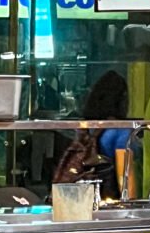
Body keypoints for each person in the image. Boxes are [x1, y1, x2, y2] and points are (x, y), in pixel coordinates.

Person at [53, 70, 130, 199]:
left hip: (85, 196)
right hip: (109, 196)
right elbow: (126, 175)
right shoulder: (119, 130)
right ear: (121, 99)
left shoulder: (88, 127)